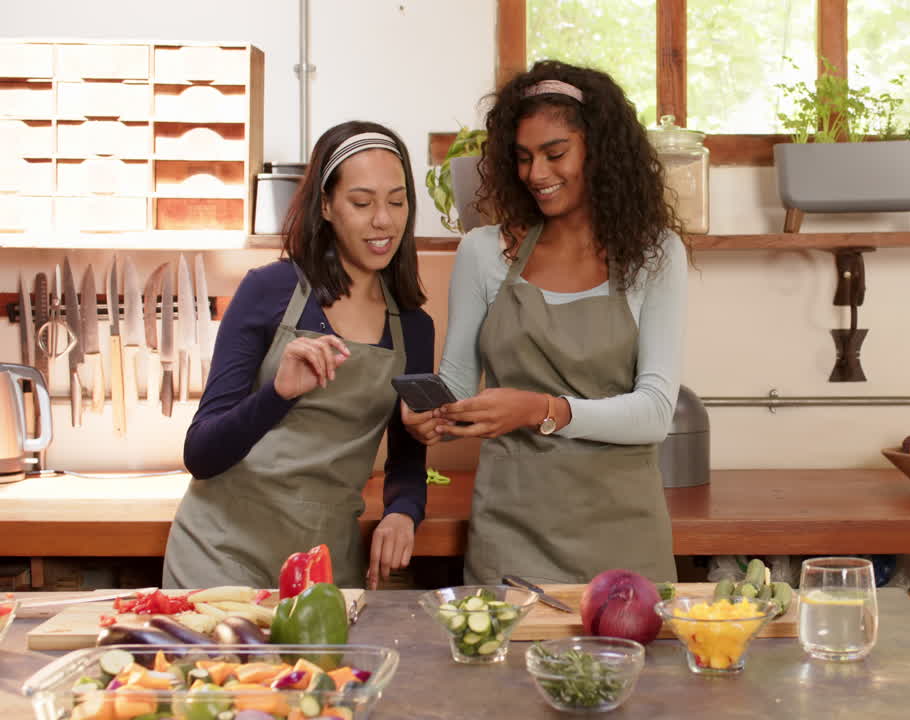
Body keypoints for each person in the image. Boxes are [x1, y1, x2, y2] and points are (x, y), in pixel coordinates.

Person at [401, 60, 690, 586]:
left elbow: (654, 413)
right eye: (523, 157)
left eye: (556, 154)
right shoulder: (484, 253)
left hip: (622, 535)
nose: (537, 174)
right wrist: (432, 418)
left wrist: (541, 410)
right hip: (512, 534)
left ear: (599, 153)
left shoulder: (654, 254)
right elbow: (460, 388)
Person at [164, 121, 433, 590]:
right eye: (362, 202)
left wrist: (403, 513)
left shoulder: (413, 327)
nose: (383, 221)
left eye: (396, 201)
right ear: (326, 206)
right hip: (220, 555)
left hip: (324, 562)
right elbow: (201, 454)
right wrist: (278, 394)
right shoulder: (268, 290)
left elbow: (408, 457)